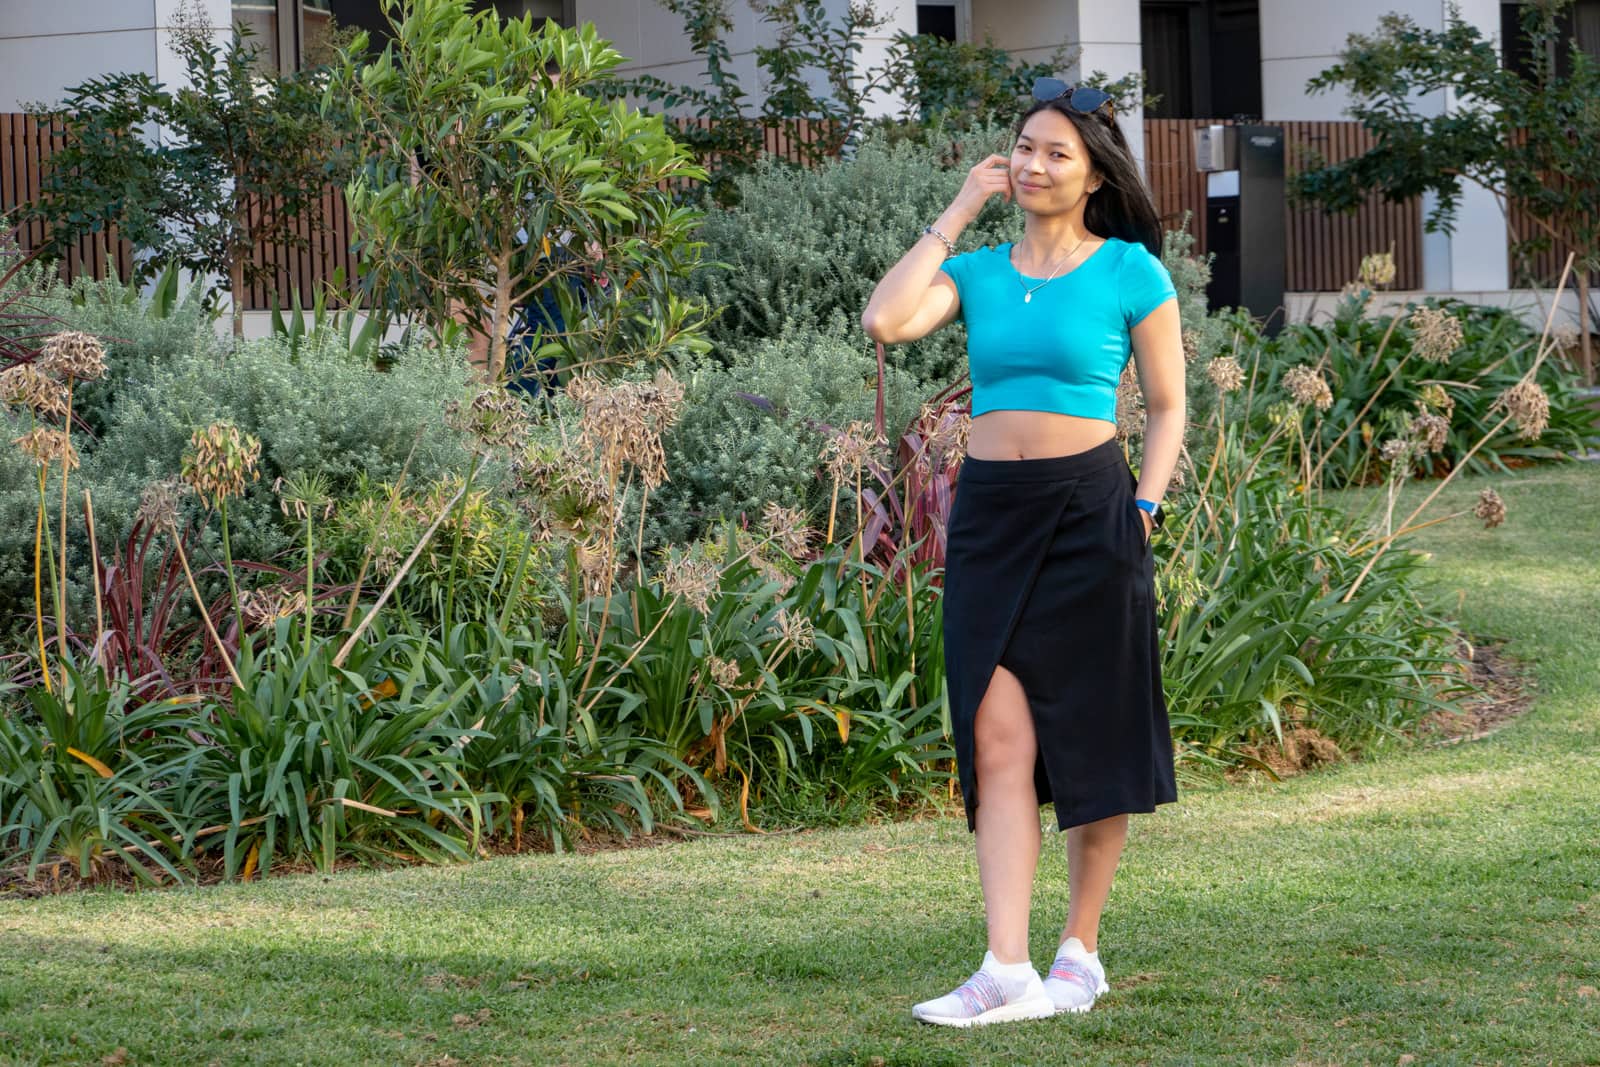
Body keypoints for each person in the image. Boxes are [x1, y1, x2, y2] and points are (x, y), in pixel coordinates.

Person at [860, 77, 1186, 1028]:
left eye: (1057, 153)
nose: (1036, 166)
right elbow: (886, 320)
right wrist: (959, 209)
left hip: (1095, 508)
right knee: (997, 735)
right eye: (1025, 149)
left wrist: (1147, 508)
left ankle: (1078, 948)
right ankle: (1005, 966)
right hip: (994, 514)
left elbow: (1167, 406)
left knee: (1093, 727)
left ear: (1092, 174)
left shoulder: (1131, 271)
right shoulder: (982, 273)